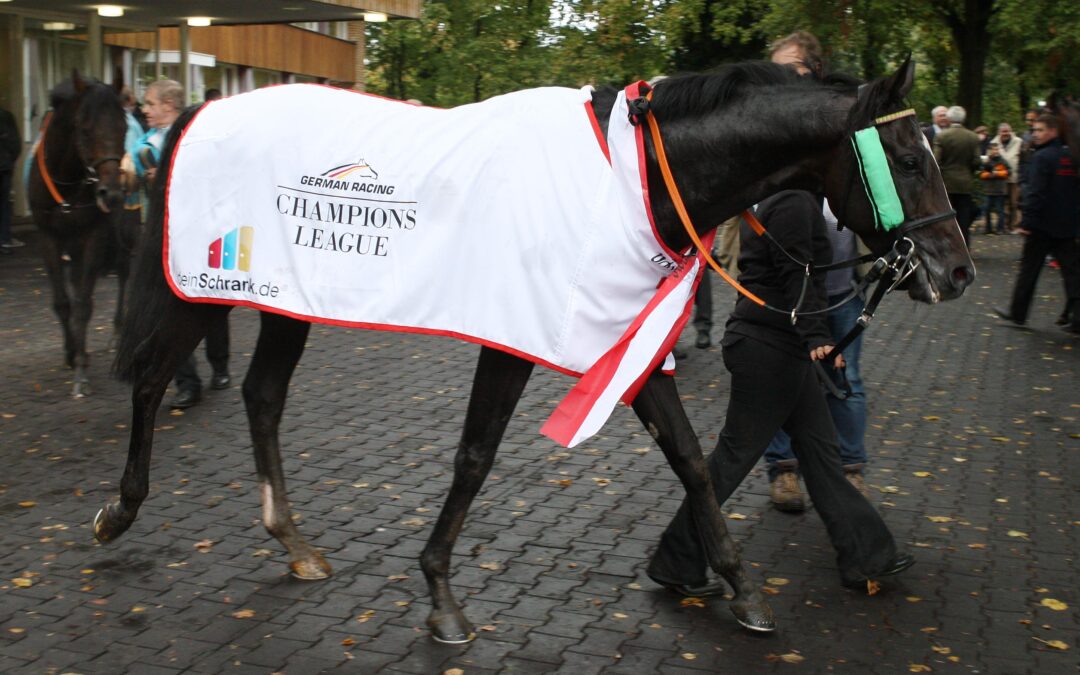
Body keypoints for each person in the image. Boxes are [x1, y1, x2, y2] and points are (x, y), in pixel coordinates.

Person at [646, 190, 913, 594]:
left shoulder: (793, 196)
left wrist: (813, 341)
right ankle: (678, 560)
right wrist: (817, 337)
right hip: (768, 352)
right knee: (732, 460)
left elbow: (797, 275)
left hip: (779, 347)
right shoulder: (794, 201)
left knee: (822, 456)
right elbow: (798, 273)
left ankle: (866, 556)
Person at [762, 201, 872, 510]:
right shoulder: (786, 173)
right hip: (788, 298)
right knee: (785, 379)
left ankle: (851, 470)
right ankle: (783, 470)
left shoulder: (853, 171)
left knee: (847, 380)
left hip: (843, 296)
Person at [135, 80, 232, 408]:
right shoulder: (143, 142)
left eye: (150, 103)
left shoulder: (194, 136)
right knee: (168, 311)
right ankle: (187, 382)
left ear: (169, 105)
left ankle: (220, 365)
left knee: (211, 303)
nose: (144, 109)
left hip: (197, 233)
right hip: (162, 237)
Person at [994, 114, 1080, 334]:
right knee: (1072, 272)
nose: (1035, 134)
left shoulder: (1041, 157)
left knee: (1029, 270)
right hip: (1066, 225)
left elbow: (1036, 193)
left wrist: (1027, 221)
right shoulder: (1069, 156)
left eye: (1040, 130)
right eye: (1035, 130)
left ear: (1052, 131)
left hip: (1042, 225)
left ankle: (1018, 312)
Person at [933, 106, 981, 245]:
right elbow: (977, 161)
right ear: (963, 118)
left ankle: (947, 245)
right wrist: (969, 172)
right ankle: (964, 246)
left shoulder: (942, 136)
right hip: (965, 183)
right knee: (964, 219)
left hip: (946, 184)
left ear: (949, 118)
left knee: (946, 217)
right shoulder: (972, 136)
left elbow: (936, 160)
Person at [991, 123, 1022, 231]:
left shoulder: (1018, 141)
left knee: (1014, 203)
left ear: (1011, 131)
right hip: (1000, 179)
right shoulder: (993, 143)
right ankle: (1003, 225)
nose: (1006, 133)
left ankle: (1013, 226)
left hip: (1014, 177)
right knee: (1002, 203)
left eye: (1007, 131)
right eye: (1003, 131)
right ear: (999, 132)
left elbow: (1023, 159)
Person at [0, 104, 22, 253]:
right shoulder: (6, 116)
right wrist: (10, 160)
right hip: (3, 166)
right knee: (3, 203)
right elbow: (15, 144)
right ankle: (4, 239)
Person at [978, 142, 1010, 235]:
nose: (996, 151)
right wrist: (990, 174)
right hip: (989, 190)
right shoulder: (987, 162)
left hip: (999, 190)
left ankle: (1000, 229)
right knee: (986, 209)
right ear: (990, 150)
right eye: (994, 149)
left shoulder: (1003, 161)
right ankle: (988, 229)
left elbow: (1009, 172)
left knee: (1000, 210)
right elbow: (982, 174)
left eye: (997, 149)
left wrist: (998, 173)